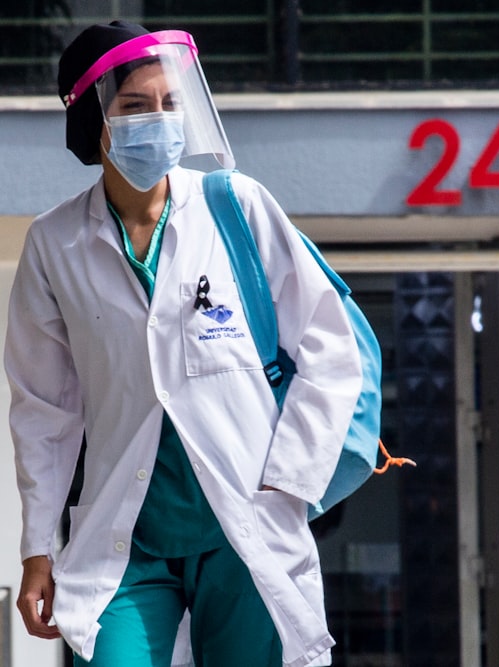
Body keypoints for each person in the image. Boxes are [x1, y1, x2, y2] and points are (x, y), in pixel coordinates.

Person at [5, 21, 363, 667]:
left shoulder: (237, 206)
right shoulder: (53, 244)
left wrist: (291, 484)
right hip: (128, 534)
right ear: (93, 122)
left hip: (246, 521)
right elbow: (44, 409)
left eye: (171, 103)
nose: (160, 120)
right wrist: (37, 550)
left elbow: (332, 349)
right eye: (135, 107)